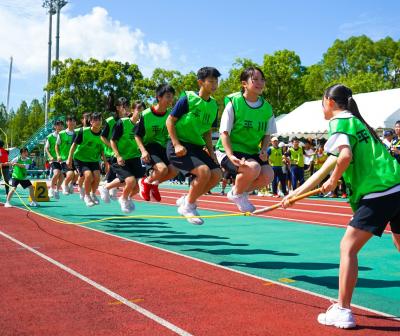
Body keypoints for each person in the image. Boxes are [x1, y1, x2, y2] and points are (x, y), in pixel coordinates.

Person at [282, 84, 400, 329]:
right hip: (397, 186)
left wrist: (333, 180)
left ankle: (343, 310)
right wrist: (294, 194)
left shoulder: (339, 122)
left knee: (347, 247)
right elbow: (327, 168)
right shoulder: (357, 123)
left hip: (380, 191)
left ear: (329, 102)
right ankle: (342, 306)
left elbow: (343, 159)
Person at [166, 66, 222, 225]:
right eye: (211, 81)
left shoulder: (213, 106)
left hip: (197, 147)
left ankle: (187, 199)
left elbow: (207, 132)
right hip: (178, 145)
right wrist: (176, 144)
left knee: (217, 174)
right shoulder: (187, 99)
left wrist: (212, 153)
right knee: (203, 172)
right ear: (200, 82)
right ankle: (188, 207)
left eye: (216, 81)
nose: (214, 84)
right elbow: (170, 121)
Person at [216, 66, 275, 211]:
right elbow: (224, 133)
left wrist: (263, 149)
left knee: (268, 175)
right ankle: (238, 193)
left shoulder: (267, 108)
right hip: (228, 150)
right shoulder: (234, 103)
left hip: (251, 151)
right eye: (255, 79)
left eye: (262, 79)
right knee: (253, 168)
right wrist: (230, 156)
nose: (260, 83)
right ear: (244, 84)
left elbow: (268, 134)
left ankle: (237, 192)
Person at [135, 84, 178, 202]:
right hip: (149, 147)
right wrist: (143, 151)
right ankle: (145, 182)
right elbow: (137, 135)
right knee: (162, 169)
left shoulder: (171, 114)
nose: (171, 100)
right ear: (159, 97)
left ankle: (154, 184)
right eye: (168, 96)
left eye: (172, 97)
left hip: (164, 147)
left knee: (174, 170)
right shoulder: (146, 114)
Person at [109, 109, 145, 213]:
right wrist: (118, 156)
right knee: (130, 181)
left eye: (143, 110)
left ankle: (126, 197)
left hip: (134, 158)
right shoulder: (123, 122)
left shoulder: (142, 125)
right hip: (121, 158)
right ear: (133, 110)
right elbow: (112, 140)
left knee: (138, 187)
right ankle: (123, 198)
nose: (141, 112)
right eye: (139, 110)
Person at [67, 113, 105, 207]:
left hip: (93, 159)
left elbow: (102, 150)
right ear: (91, 122)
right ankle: (86, 196)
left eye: (99, 120)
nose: (98, 122)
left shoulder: (103, 134)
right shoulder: (83, 132)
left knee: (97, 176)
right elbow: (74, 145)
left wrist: (105, 162)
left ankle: (92, 194)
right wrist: (69, 158)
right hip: (81, 159)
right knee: (88, 175)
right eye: (95, 120)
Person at [100, 95, 131, 201]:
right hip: (111, 151)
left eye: (128, 106)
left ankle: (109, 188)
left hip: (124, 151)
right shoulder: (111, 121)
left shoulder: (128, 120)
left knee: (117, 171)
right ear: (118, 107)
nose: (127, 108)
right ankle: (107, 188)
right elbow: (102, 137)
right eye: (124, 106)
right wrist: (112, 147)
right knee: (117, 170)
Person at [55, 115, 77, 195]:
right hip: (65, 159)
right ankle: (64, 184)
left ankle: (71, 184)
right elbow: (56, 146)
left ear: (75, 123)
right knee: (70, 174)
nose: (71, 122)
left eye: (73, 121)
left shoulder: (78, 132)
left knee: (78, 174)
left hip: (76, 158)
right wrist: (58, 155)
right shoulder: (61, 133)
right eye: (69, 121)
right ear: (67, 122)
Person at [45, 120, 65, 199]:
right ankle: (51, 189)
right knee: (56, 173)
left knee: (62, 177)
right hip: (54, 159)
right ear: (55, 126)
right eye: (58, 125)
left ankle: (56, 190)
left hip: (63, 159)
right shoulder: (50, 136)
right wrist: (50, 156)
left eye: (61, 125)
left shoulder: (64, 135)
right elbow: (46, 148)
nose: (59, 127)